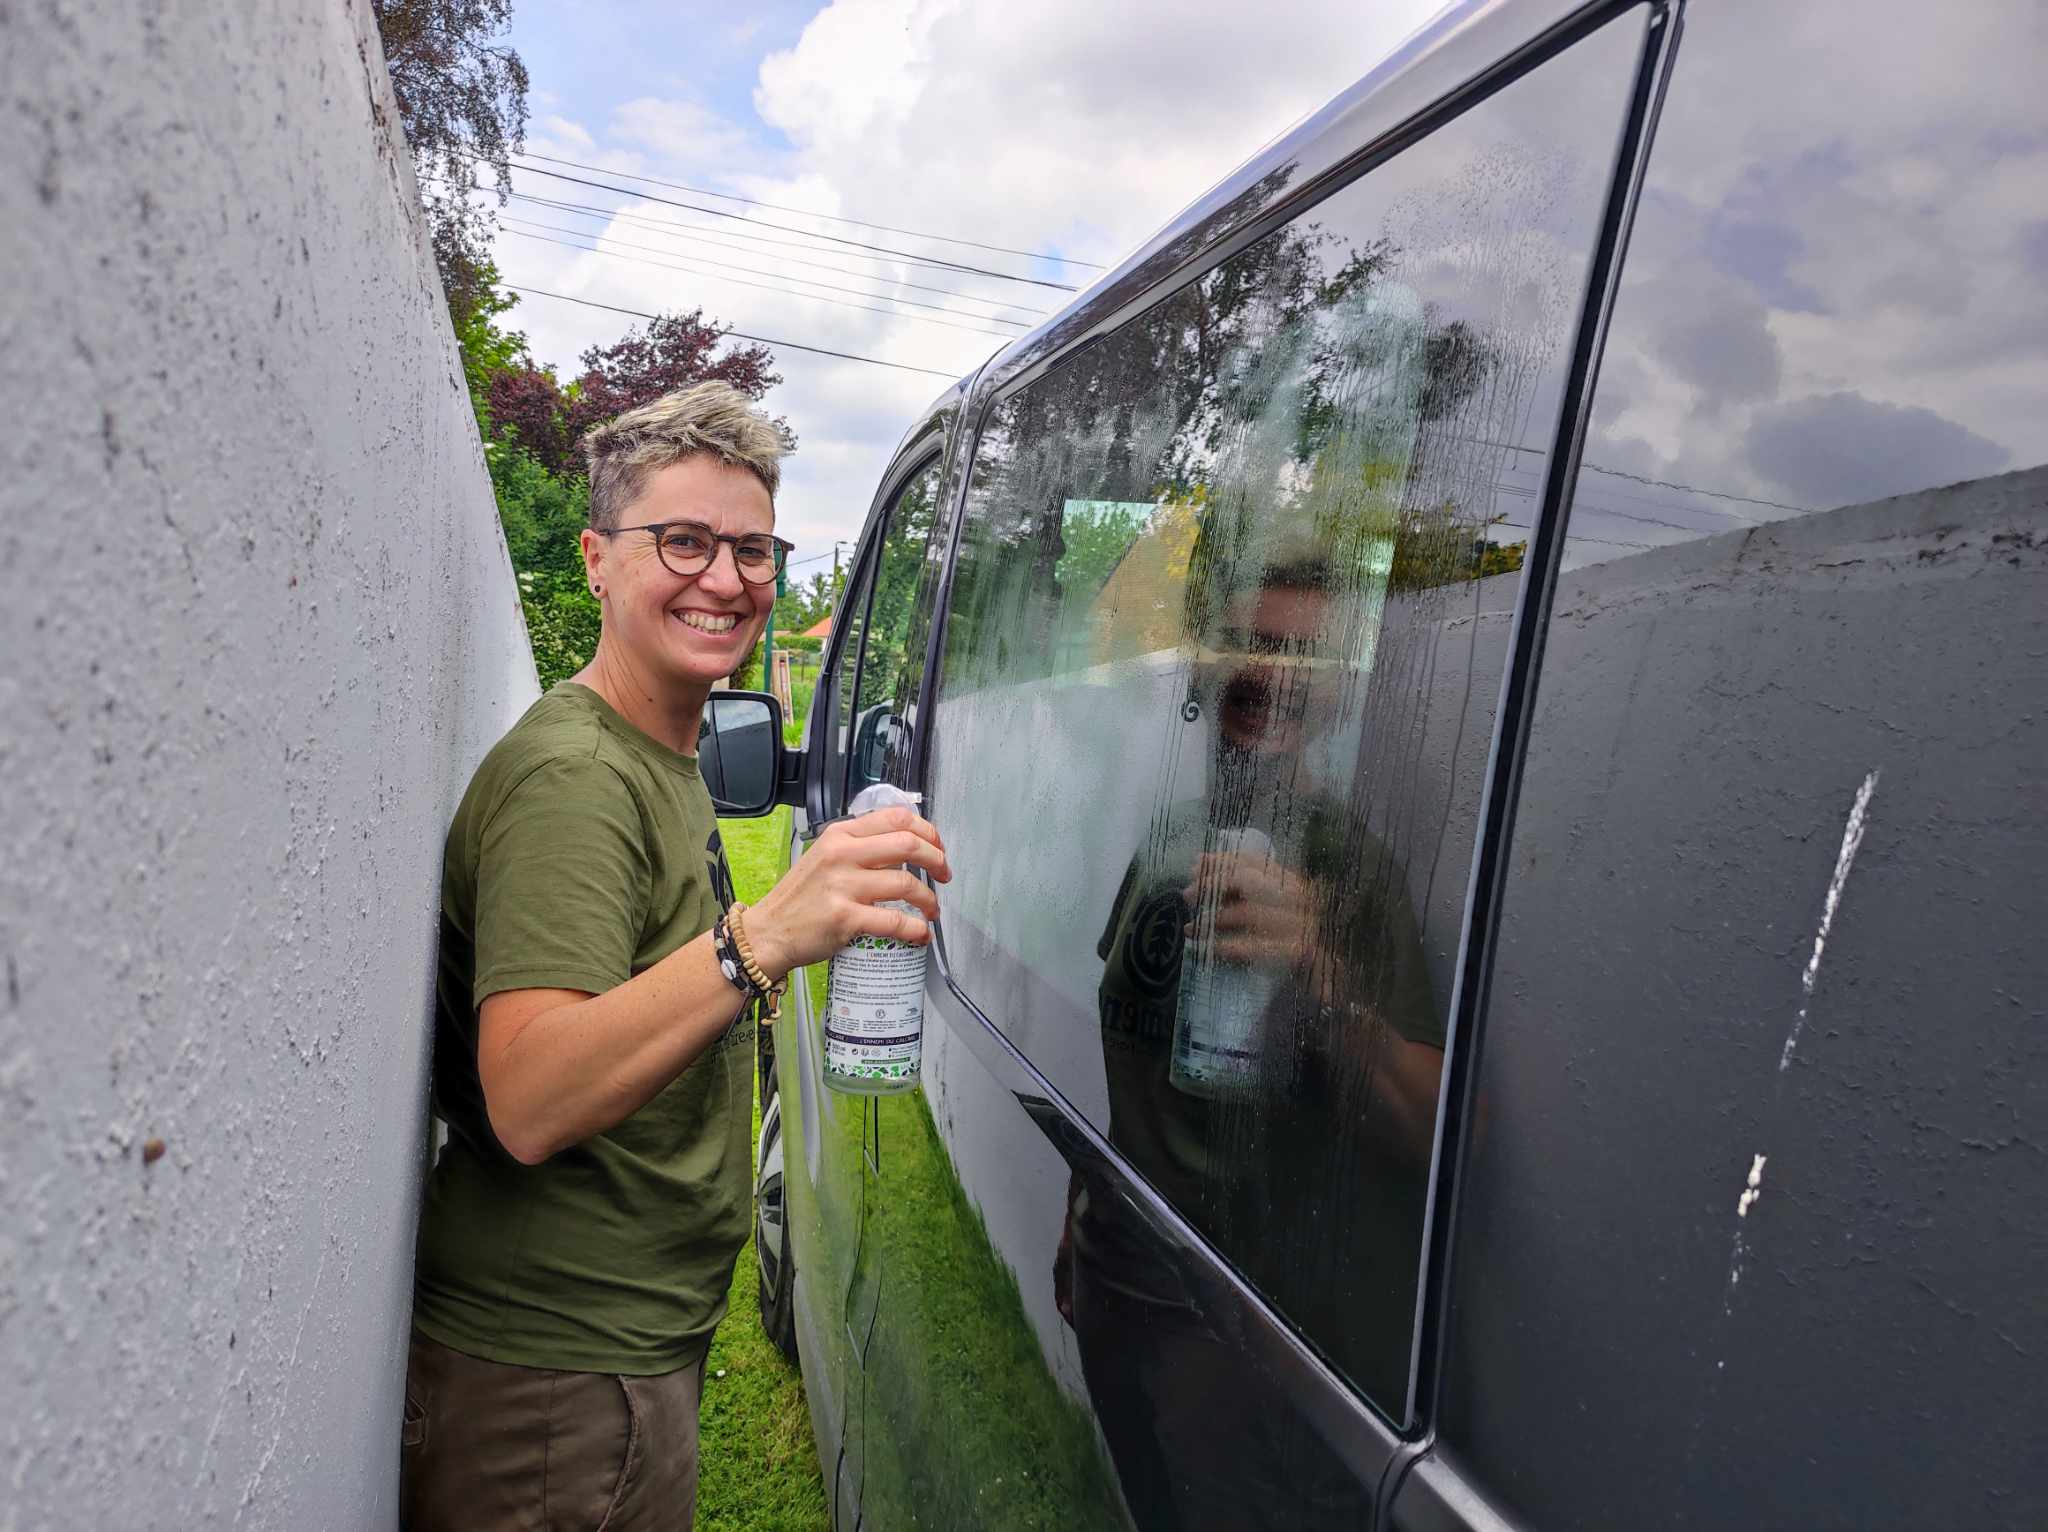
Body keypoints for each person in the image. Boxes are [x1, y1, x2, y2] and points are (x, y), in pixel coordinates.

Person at [400, 382, 950, 1530]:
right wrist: (760, 936)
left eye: (752, 549)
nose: (725, 578)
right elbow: (531, 1092)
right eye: (683, 540)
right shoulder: (576, 779)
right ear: (598, 559)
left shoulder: (656, 754)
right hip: (553, 1381)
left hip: (611, 1353)